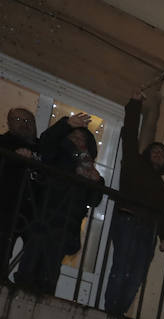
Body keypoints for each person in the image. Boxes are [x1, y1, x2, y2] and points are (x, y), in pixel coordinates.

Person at [14, 111, 105, 296]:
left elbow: (94, 200)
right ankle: (23, 291)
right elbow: (47, 141)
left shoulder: (88, 170)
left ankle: (42, 294)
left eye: (82, 139)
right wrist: (66, 124)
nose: (78, 141)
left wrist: (97, 183)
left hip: (66, 224)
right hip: (44, 215)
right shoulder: (56, 156)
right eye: (74, 136)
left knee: (50, 265)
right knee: (33, 258)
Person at [104, 94, 164, 318]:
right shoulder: (133, 164)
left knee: (138, 273)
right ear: (147, 153)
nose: (158, 154)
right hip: (128, 220)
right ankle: (111, 310)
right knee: (122, 266)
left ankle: (119, 311)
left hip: (148, 229)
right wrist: (134, 105)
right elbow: (130, 135)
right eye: (155, 150)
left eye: (162, 153)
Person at [0, 107, 39, 277]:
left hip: (34, 211)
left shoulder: (41, 148)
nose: (24, 124)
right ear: (9, 123)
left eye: (28, 121)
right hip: (5, 206)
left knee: (35, 251)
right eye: (18, 120)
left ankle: (26, 285)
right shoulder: (3, 143)